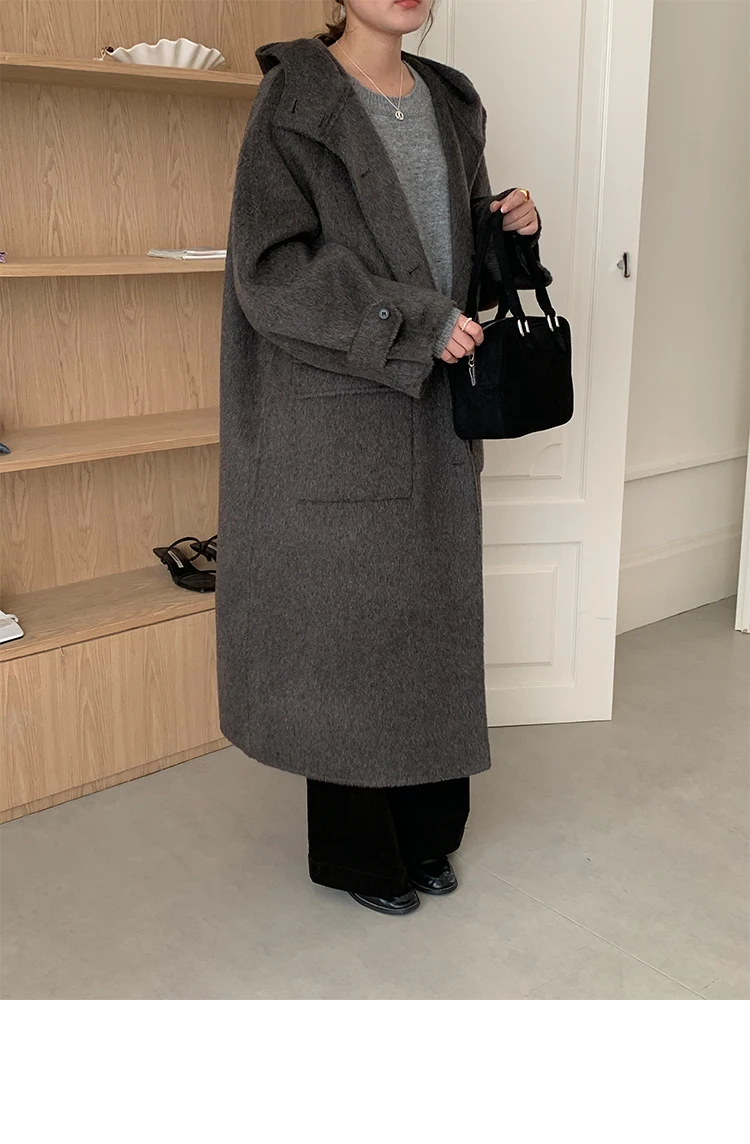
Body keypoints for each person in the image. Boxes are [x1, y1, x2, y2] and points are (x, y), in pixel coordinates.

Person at [217, 0, 549, 916]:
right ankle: (361, 858)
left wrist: (508, 230)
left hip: (439, 406)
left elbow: (457, 260)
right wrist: (411, 322)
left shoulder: (450, 98)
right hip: (341, 408)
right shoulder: (296, 94)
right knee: (353, 640)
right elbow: (269, 270)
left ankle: (429, 834)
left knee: (427, 630)